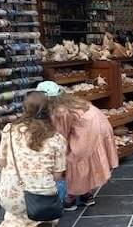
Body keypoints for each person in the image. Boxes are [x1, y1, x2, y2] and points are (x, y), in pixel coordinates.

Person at [0, 91, 67, 227]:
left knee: (8, 170)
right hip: (42, 200)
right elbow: (58, 175)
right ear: (50, 110)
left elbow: (2, 161)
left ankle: (18, 218)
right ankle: (40, 220)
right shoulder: (56, 138)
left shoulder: (9, 130)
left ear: (24, 109)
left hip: (9, 197)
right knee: (61, 183)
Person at [41, 81, 119, 211]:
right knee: (86, 161)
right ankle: (86, 195)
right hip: (100, 127)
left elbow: (61, 134)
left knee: (75, 159)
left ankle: (70, 197)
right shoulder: (72, 101)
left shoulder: (60, 111)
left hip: (88, 132)